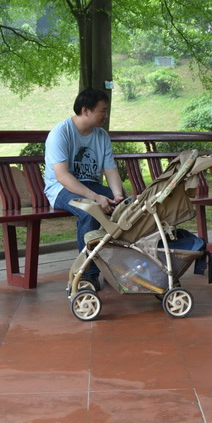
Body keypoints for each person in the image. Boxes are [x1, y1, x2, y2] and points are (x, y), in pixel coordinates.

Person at [44, 88, 125, 290]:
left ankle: (123, 269)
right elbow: (62, 176)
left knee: (129, 208)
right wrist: (95, 197)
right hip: (61, 189)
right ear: (85, 110)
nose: (106, 115)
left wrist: (118, 196)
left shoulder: (101, 135)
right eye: (102, 110)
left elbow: (110, 170)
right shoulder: (60, 133)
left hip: (91, 186)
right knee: (90, 211)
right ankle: (88, 275)